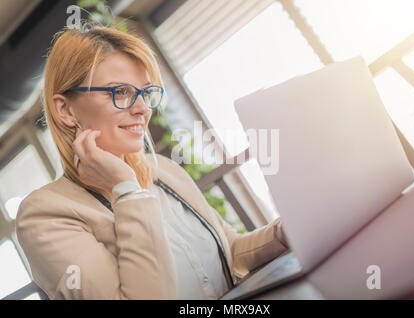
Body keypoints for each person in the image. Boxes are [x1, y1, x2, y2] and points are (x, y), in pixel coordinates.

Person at [15, 25, 289, 300]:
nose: (143, 108)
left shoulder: (162, 169)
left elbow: (230, 251)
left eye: (145, 92)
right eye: (120, 92)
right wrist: (126, 189)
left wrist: (285, 233)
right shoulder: (44, 214)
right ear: (65, 110)